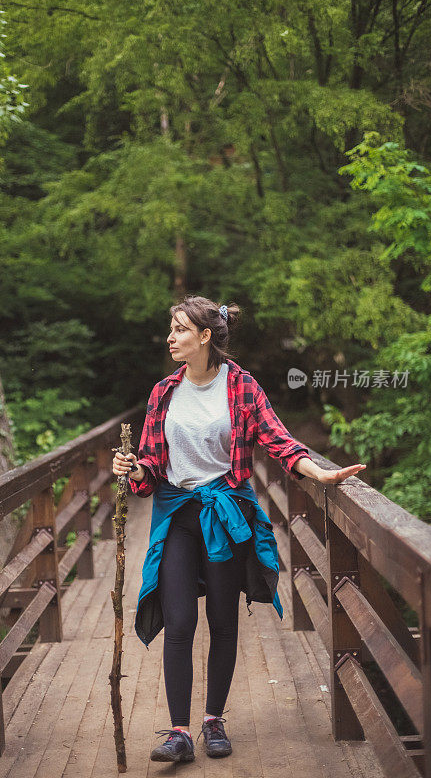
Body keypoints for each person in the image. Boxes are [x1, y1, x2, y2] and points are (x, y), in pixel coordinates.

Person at [112, 295, 366, 764]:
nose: (171, 337)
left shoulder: (242, 387)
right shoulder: (163, 392)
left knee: (222, 622)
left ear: (205, 336)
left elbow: (280, 441)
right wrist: (132, 470)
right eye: (171, 328)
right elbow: (148, 465)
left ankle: (213, 721)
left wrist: (322, 475)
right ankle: (179, 733)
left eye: (180, 329)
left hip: (227, 516)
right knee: (180, 623)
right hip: (177, 517)